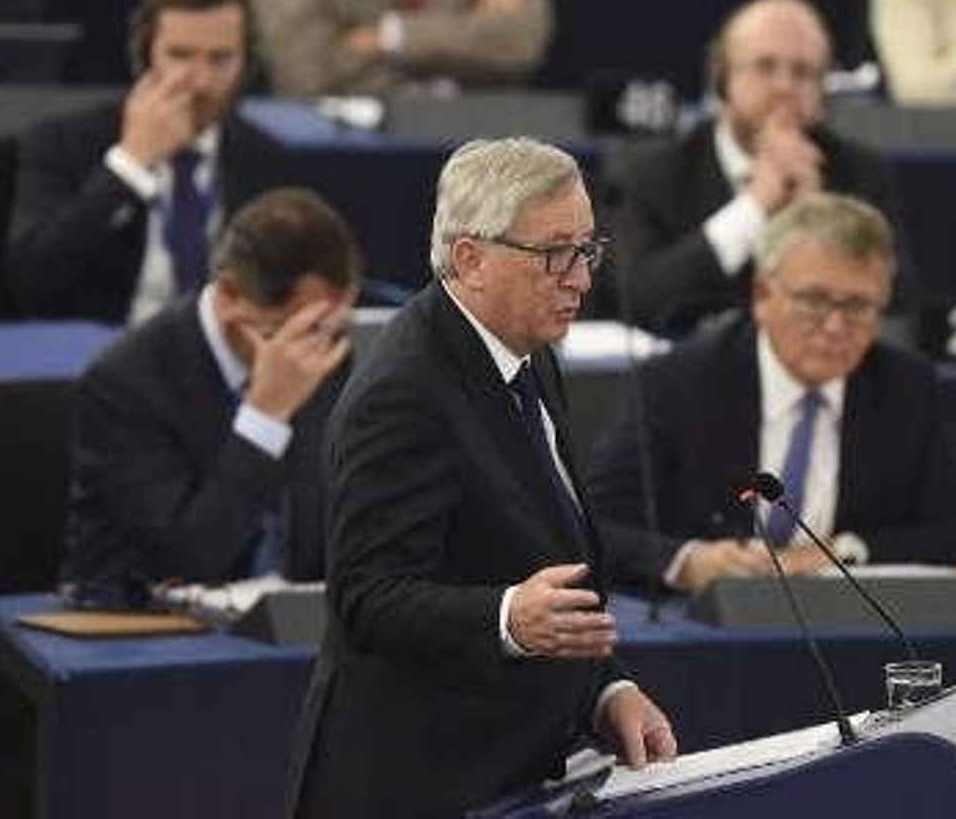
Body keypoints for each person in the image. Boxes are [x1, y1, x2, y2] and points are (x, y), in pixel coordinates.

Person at [290, 138, 676, 818]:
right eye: (554, 254)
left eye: (586, 250)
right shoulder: (404, 392)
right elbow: (368, 596)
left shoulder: (526, 349)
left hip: (509, 770)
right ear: (470, 258)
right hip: (416, 785)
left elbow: (545, 553)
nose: (581, 280)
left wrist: (607, 690)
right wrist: (506, 617)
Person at [587, 193, 956, 594]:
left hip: (842, 619)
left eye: (858, 306)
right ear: (762, 295)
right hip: (706, 619)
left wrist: (843, 552)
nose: (835, 327)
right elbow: (595, 525)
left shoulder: (903, 386)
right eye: (814, 300)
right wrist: (687, 561)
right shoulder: (678, 382)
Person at [61, 187, 358, 594]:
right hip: (142, 616)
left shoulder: (330, 354)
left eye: (332, 327)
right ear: (231, 295)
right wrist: (265, 416)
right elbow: (190, 556)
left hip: (293, 615)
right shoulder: (123, 384)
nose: (317, 350)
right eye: (299, 331)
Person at [600, 0, 909, 337]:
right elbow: (639, 299)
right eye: (765, 67)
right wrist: (755, 206)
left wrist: (816, 218)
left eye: (803, 72)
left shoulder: (861, 172)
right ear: (722, 79)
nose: (784, 87)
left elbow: (896, 305)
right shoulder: (651, 171)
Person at [6, 0, 286, 324]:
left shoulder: (265, 159)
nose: (200, 81)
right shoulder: (64, 142)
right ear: (145, 50)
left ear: (247, 63)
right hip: (101, 351)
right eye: (180, 55)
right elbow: (31, 280)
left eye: (220, 59)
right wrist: (128, 166)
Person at [244, 0, 553, 98]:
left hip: (479, 147)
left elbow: (522, 41)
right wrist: (467, 37)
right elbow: (306, 71)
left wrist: (389, 36)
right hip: (337, 150)